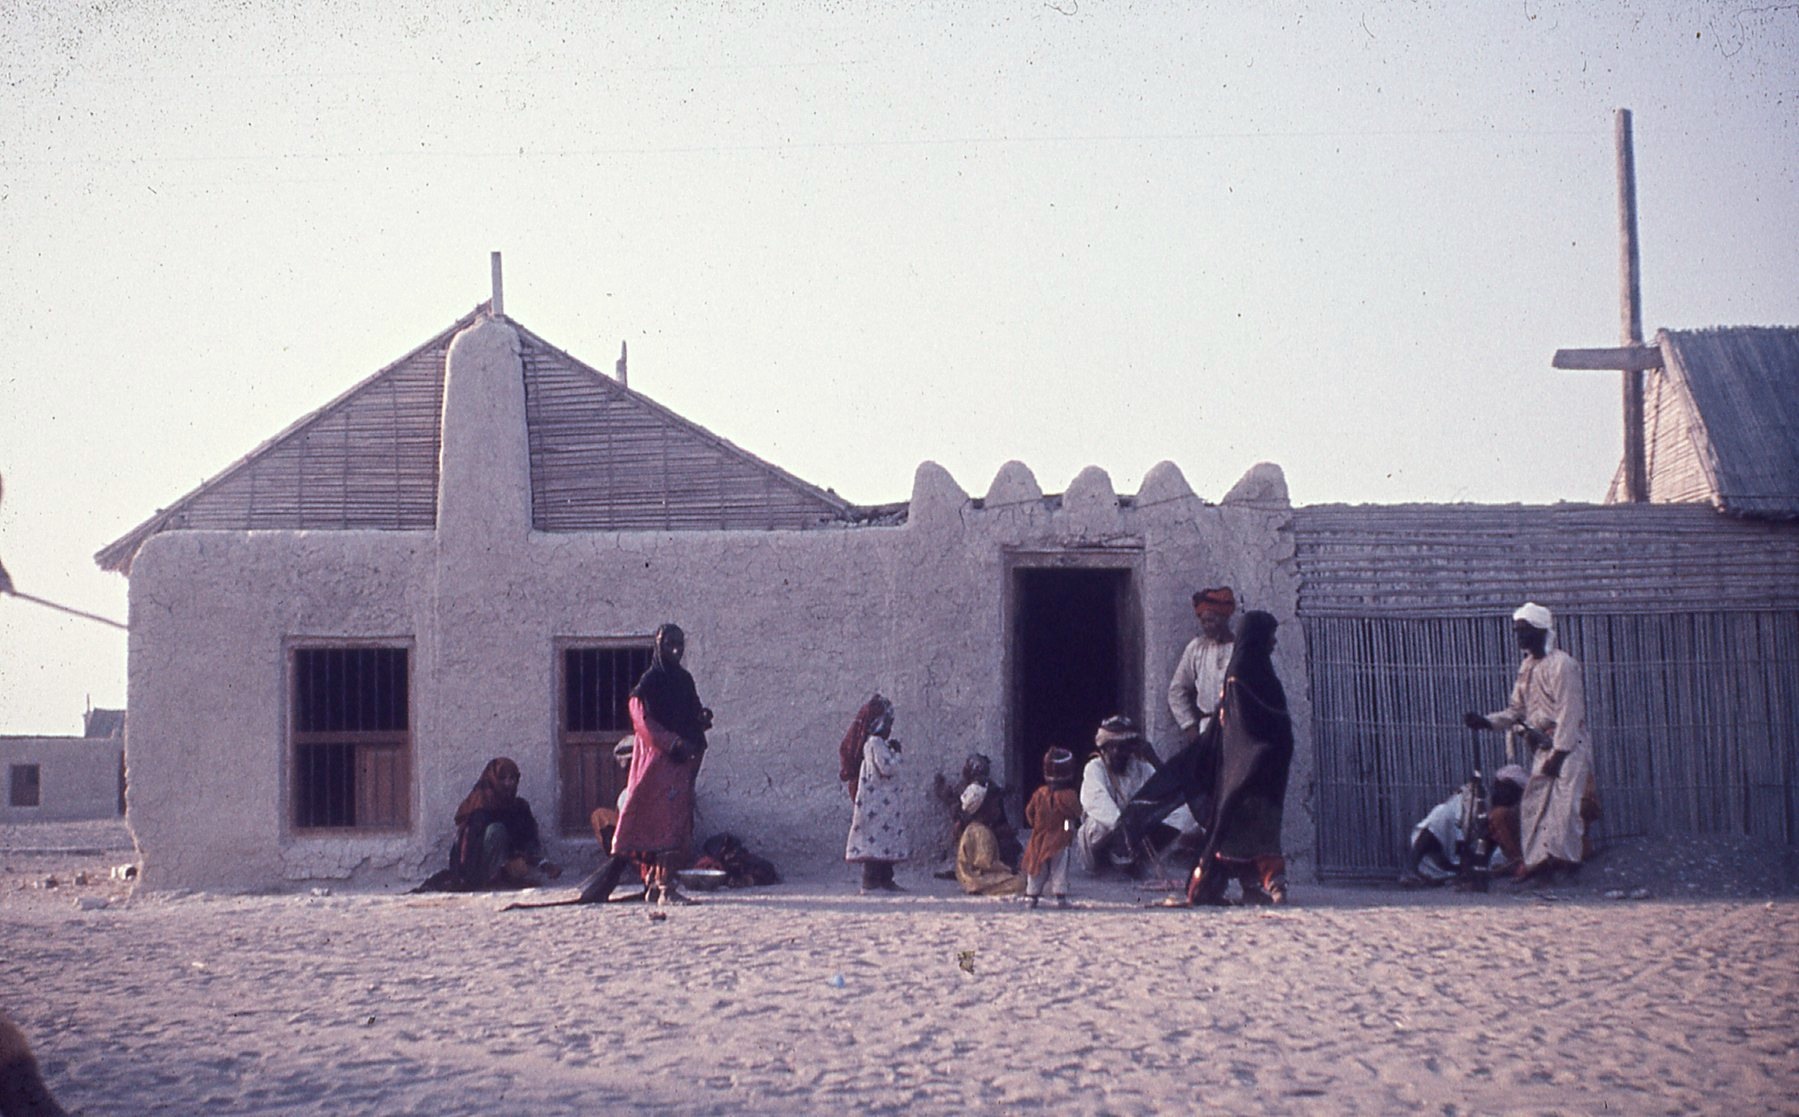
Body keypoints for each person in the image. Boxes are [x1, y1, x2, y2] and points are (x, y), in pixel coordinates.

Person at [1463, 602, 1593, 884]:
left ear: (1541, 630)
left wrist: (1559, 753)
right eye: (1517, 631)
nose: (1520, 637)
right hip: (1542, 747)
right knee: (1536, 807)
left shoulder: (1563, 665)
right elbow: (1516, 711)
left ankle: (1565, 866)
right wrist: (1487, 721)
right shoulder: (1527, 667)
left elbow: (1570, 712)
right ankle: (1539, 864)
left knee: (1563, 809)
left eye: (1525, 630)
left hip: (1567, 747)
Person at [1184, 610, 1294, 906]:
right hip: (1246, 764)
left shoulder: (1262, 671)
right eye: (1270, 636)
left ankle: (1255, 885)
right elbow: (1243, 724)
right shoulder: (1241, 673)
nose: (1273, 642)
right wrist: (1257, 751)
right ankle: (1268, 883)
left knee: (1264, 824)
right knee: (1242, 826)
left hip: (1268, 766)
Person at [613, 623, 713, 905]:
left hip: (682, 764)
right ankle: (661, 886)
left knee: (676, 822)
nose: (676, 650)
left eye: (680, 645)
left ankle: (661, 885)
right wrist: (672, 743)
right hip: (656, 764)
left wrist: (700, 719)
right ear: (659, 645)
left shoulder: (684, 680)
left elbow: (691, 712)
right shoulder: (649, 683)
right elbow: (643, 722)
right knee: (659, 822)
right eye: (670, 644)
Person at [1076, 716, 1197, 876]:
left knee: (1183, 814)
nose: (1116, 752)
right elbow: (1097, 802)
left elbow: (1167, 793)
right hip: (1110, 835)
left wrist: (1153, 758)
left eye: (1122, 747)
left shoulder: (1142, 768)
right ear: (1104, 747)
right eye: (1111, 747)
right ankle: (1109, 861)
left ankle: (1139, 859)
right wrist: (1128, 828)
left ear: (1131, 748)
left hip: (1137, 836)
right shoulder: (1094, 767)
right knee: (1097, 826)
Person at [1402, 765, 1528, 885]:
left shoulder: (1506, 815)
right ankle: (1410, 869)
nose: (1506, 794)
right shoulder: (1471, 799)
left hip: (1455, 868)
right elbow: (1455, 827)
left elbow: (1484, 846)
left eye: (1513, 791)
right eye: (1503, 787)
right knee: (1440, 813)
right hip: (1431, 858)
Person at [449, 757, 562, 890]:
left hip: (507, 865)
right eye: (502, 779)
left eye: (512, 778)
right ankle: (494, 878)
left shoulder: (519, 807)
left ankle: (505, 875)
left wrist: (543, 864)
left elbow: (528, 840)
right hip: (476, 870)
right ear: (493, 780)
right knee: (496, 830)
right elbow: (467, 850)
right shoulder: (479, 807)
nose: (508, 784)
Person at [842, 693, 909, 893]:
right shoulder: (875, 744)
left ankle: (885, 880)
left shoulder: (877, 744)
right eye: (888, 724)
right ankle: (871, 881)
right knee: (875, 844)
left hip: (882, 806)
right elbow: (887, 767)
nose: (890, 728)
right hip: (877, 806)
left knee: (883, 842)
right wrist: (897, 754)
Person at [1168, 586, 1237, 748]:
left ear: (1224, 618)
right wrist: (1190, 728)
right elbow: (1177, 691)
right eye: (1203, 621)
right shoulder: (1196, 648)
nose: (1207, 626)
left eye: (1211, 620)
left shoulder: (1239, 649)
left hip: (1237, 729)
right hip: (1207, 730)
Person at [933, 752, 1023, 871]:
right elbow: (954, 801)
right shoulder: (969, 788)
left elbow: (997, 818)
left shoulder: (987, 791)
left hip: (988, 834)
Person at [1021, 747, 1083, 908]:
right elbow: (1075, 814)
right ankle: (1060, 897)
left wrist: (1036, 826)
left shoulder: (1039, 793)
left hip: (1039, 838)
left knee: (1036, 868)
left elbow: (1029, 813)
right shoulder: (1069, 795)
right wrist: (1068, 831)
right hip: (1059, 838)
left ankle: (1031, 896)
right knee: (1059, 867)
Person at [953, 778, 1026, 896]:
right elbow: (987, 864)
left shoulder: (978, 828)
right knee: (1021, 881)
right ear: (983, 808)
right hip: (977, 879)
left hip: (975, 876)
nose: (998, 807)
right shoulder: (981, 832)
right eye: (994, 804)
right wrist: (1010, 870)